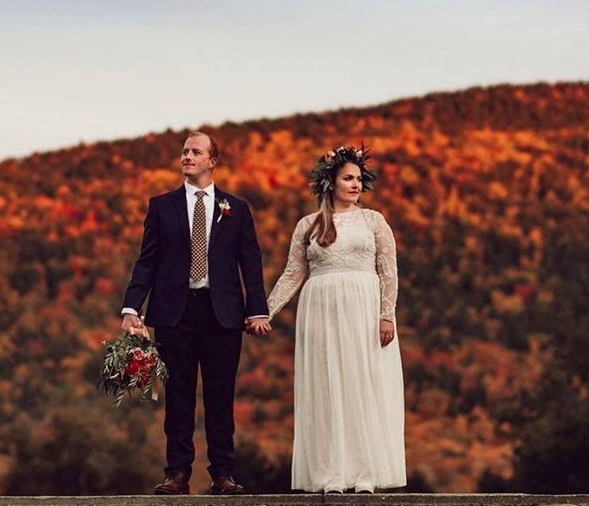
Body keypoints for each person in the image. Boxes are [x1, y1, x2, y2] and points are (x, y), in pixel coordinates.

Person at [120, 131, 270, 495]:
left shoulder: (237, 208)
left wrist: (258, 310)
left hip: (223, 315)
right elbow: (147, 261)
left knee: (221, 396)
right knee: (179, 397)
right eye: (185, 151)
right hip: (174, 313)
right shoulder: (161, 206)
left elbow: (250, 262)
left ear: (211, 161)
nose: (187, 156)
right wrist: (130, 308)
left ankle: (222, 474)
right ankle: (177, 474)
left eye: (195, 151)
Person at [252, 144, 406, 493]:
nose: (355, 185)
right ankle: (330, 474)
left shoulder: (373, 221)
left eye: (358, 179)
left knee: (362, 384)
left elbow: (389, 271)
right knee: (326, 386)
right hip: (320, 311)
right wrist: (265, 310)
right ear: (330, 183)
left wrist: (387, 315)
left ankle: (365, 474)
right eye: (348, 178)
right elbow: (293, 273)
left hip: (363, 309)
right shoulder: (308, 225)